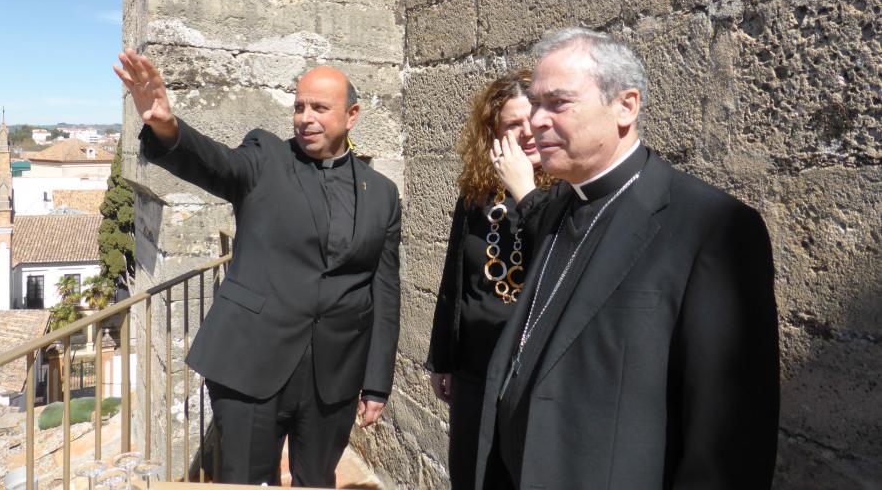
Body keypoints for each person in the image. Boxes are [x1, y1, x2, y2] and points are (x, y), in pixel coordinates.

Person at [476, 28, 779, 489]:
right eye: (536, 103)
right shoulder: (557, 206)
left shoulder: (711, 228)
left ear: (626, 106)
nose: (536, 120)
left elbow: (728, 441)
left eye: (558, 103)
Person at [113, 49, 401, 488]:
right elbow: (215, 162)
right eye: (300, 106)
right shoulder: (265, 156)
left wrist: (377, 383)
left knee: (317, 481)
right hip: (251, 362)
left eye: (320, 108)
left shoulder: (382, 193)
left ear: (352, 114)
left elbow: (384, 289)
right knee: (245, 481)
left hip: (334, 377)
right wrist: (165, 126)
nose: (306, 118)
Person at [425, 71, 554, 489]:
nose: (527, 131)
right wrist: (442, 359)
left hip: (530, 369)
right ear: (494, 135)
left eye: (533, 117)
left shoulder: (566, 194)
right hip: (475, 368)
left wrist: (526, 192)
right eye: (513, 125)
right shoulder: (475, 196)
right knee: (472, 473)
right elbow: (453, 281)